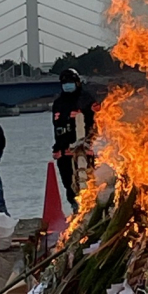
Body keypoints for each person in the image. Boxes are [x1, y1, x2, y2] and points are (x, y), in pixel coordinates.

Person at [52, 69, 95, 210]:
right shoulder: (58, 103)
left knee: (87, 181)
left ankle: (90, 208)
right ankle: (76, 209)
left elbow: (97, 122)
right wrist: (58, 148)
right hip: (64, 151)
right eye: (64, 82)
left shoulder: (86, 99)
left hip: (84, 149)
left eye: (70, 82)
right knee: (69, 183)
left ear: (77, 82)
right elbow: (57, 127)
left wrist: (89, 142)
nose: (67, 85)